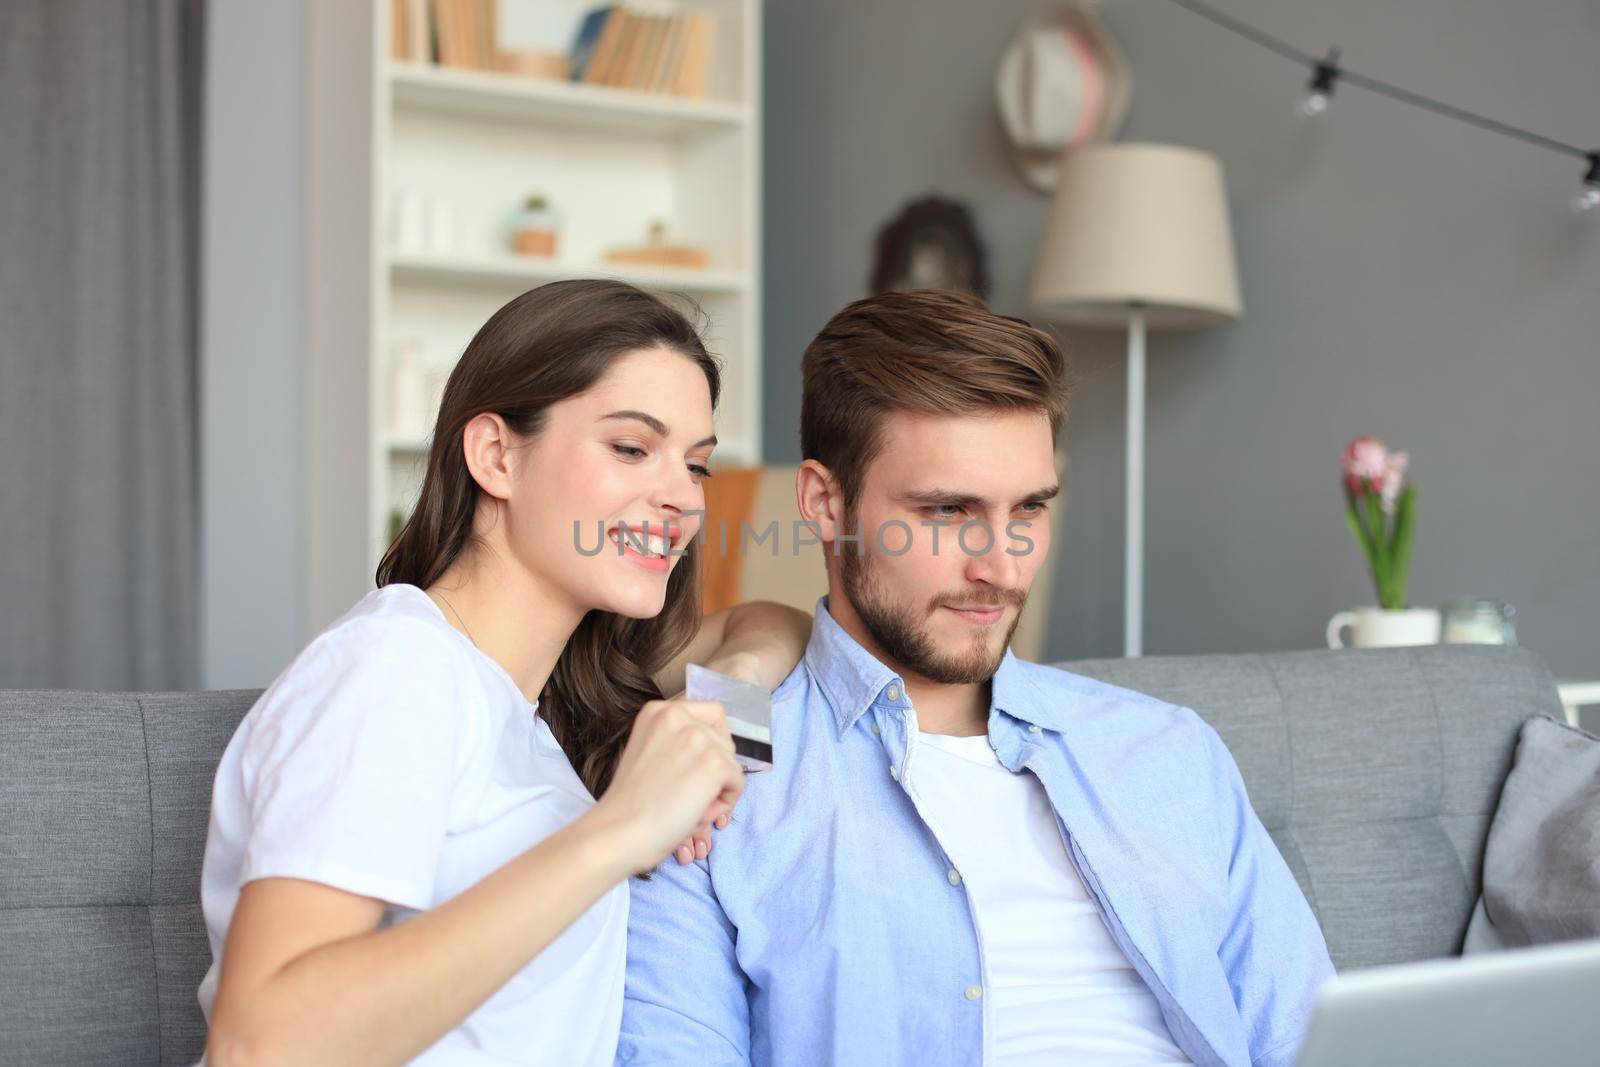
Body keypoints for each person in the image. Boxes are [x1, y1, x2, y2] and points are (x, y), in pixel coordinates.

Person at [619, 288, 1335, 1066]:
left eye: (1027, 510)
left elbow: (1315, 1040)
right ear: (824, 502)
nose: (1000, 567)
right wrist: (733, 692)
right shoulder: (722, 775)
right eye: (947, 511)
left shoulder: (1168, 753)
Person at [196, 279, 811, 1065]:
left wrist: (722, 717)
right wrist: (623, 826)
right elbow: (261, 1043)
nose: (680, 501)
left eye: (696, 467)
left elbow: (779, 624)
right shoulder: (396, 666)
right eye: (630, 447)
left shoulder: (540, 695)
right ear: (496, 456)